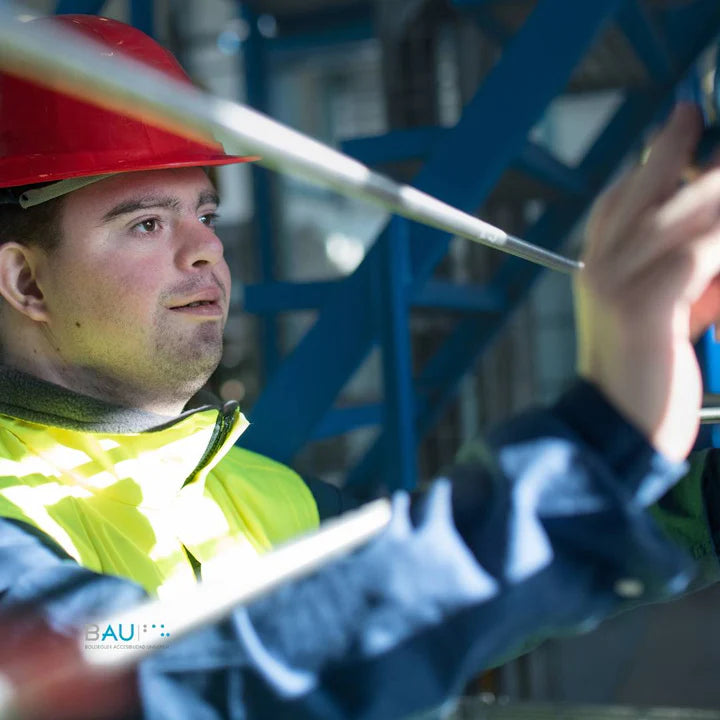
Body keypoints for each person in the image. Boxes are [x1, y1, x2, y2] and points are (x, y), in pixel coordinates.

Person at [0, 13, 719, 720]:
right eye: (146, 223)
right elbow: (169, 679)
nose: (205, 251)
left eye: (207, 217)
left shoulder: (266, 494)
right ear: (26, 282)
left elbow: (428, 585)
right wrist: (599, 440)